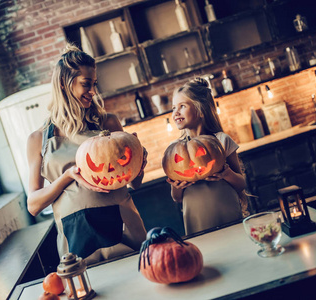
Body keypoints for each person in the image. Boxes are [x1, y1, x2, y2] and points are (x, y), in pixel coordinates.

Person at [26, 44, 147, 265]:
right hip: (76, 239)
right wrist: (67, 176)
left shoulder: (108, 123)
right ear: (63, 84)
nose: (93, 91)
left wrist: (140, 164)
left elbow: (134, 184)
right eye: (86, 84)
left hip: (123, 230)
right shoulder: (38, 139)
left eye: (94, 84)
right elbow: (33, 205)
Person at [167, 77, 248, 235]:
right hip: (197, 220)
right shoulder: (175, 150)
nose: (175, 113)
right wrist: (175, 187)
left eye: (182, 106)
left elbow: (241, 184)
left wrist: (227, 174)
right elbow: (177, 198)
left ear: (200, 110)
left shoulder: (222, 140)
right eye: (173, 108)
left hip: (228, 213)